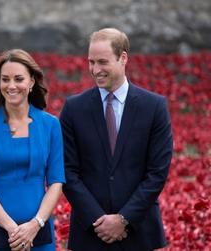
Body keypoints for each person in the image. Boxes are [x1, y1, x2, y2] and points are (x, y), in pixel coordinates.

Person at [60, 28, 173, 250]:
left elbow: (157, 172)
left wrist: (123, 219)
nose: (95, 69)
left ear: (123, 58)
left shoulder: (154, 107)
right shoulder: (74, 108)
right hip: (89, 234)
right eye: (91, 62)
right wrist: (99, 221)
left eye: (102, 62)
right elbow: (67, 171)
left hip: (140, 233)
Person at [0, 49, 65, 251]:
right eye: (5, 79)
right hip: (0, 231)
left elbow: (56, 182)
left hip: (39, 231)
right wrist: (12, 229)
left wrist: (35, 224)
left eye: (18, 79)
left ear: (31, 82)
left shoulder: (50, 125)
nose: (11, 86)